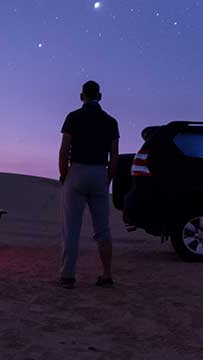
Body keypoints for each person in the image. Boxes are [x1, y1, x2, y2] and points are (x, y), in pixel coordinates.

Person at [58, 80, 119, 289]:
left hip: (77, 171)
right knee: (102, 228)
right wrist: (107, 178)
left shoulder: (73, 117)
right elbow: (115, 155)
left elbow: (64, 149)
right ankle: (107, 274)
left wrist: (64, 174)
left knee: (71, 228)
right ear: (99, 96)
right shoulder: (110, 122)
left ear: (81, 96)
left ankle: (67, 275)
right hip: (99, 172)